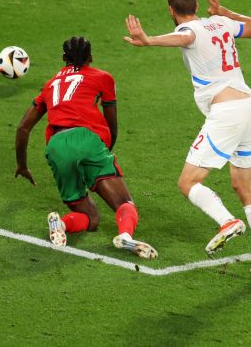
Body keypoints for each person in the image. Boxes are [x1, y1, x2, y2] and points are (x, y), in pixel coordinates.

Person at [123, 0, 251, 275]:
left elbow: (186, 36)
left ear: (171, 10)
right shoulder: (220, 22)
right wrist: (223, 11)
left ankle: (228, 221)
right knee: (244, 187)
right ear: (195, 5)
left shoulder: (188, 31)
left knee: (187, 182)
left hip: (227, 114)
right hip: (250, 109)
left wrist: (149, 39)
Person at [14, 36, 157, 260]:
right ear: (91, 57)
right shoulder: (103, 78)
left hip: (57, 146)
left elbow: (23, 128)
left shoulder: (50, 85)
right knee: (123, 203)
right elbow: (112, 122)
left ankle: (60, 223)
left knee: (90, 218)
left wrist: (22, 165)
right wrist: (105, 149)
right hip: (88, 140)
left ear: (63, 58)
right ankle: (126, 236)